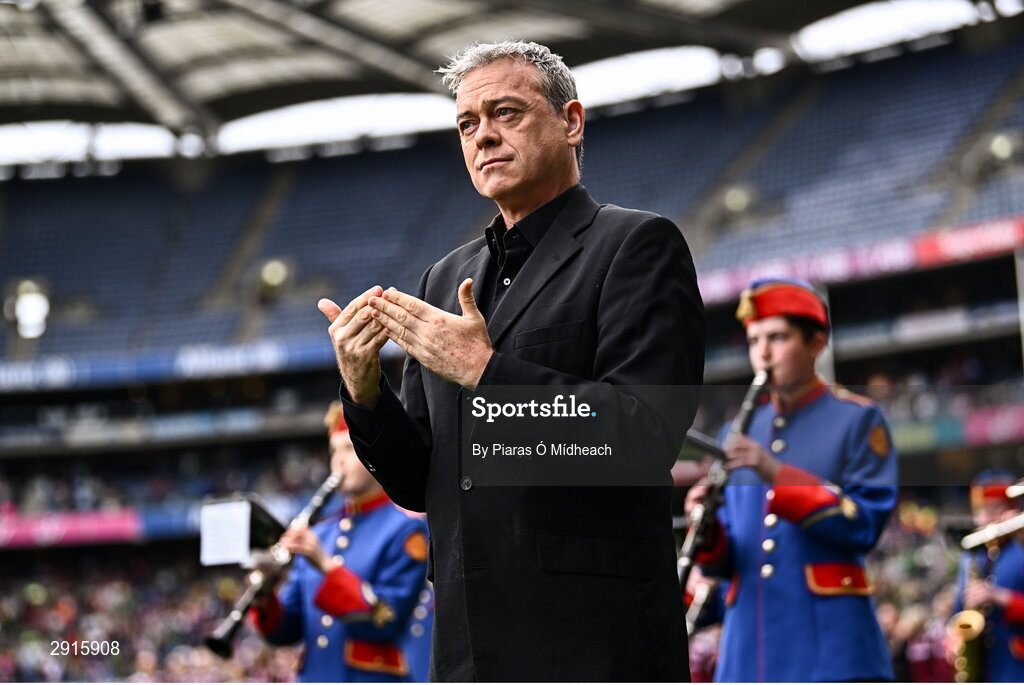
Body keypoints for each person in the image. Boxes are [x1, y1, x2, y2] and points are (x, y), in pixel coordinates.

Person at [318, 40, 704, 680]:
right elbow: (418, 482)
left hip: (596, 640)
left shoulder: (635, 245)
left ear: (571, 122)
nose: (484, 136)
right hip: (469, 645)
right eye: (468, 124)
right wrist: (364, 392)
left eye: (507, 113)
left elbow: (643, 435)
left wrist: (488, 374)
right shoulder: (443, 279)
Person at [687, 277, 897, 681]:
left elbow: (864, 524)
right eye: (753, 340)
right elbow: (729, 559)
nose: (762, 352)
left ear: (816, 343)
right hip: (748, 650)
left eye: (777, 337)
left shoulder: (858, 419)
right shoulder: (737, 430)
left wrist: (774, 472)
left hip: (831, 649)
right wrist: (708, 526)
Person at [249, 404, 430, 682]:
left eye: (349, 449)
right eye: (334, 451)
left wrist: (325, 565)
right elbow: (287, 629)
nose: (338, 461)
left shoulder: (406, 531)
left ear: (373, 453)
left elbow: (386, 619)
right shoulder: (319, 533)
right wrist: (265, 597)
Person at [950, 470, 1024, 682]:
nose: (985, 519)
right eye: (979, 511)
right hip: (986, 665)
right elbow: (959, 611)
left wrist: (998, 597)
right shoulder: (972, 556)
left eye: (994, 510)